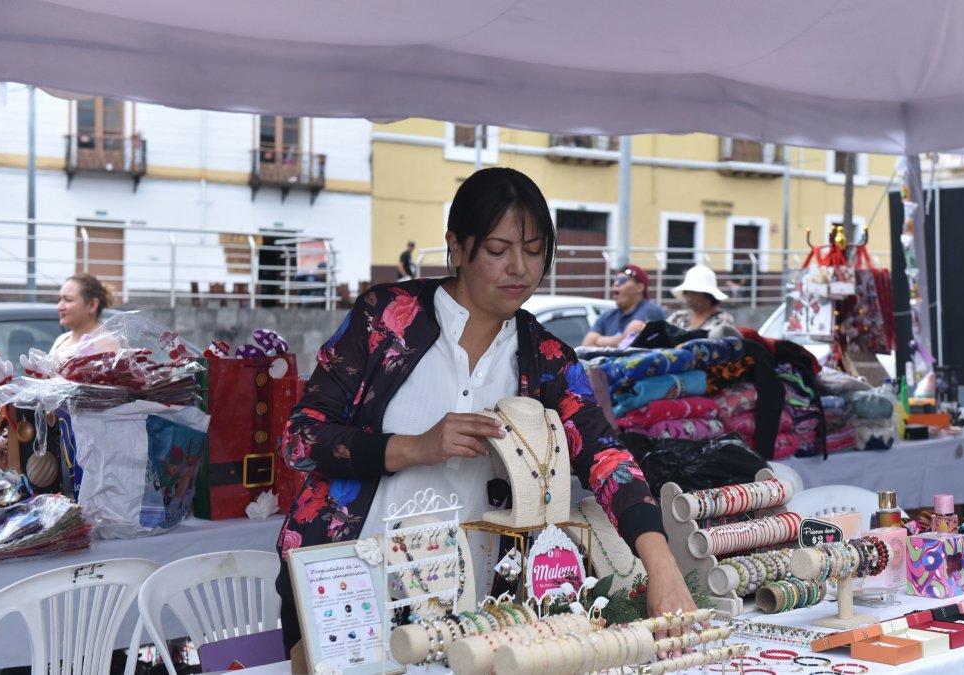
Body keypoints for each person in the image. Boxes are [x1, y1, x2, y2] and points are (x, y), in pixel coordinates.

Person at [274, 168, 694, 655]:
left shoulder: (546, 358)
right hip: (345, 584)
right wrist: (413, 447)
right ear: (456, 247)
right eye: (498, 251)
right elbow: (300, 438)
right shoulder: (386, 317)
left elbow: (606, 457)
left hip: (468, 609)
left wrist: (660, 565)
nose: (520, 268)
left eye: (534, 251)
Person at [581, 263, 666, 347]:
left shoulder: (650, 310)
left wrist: (599, 341)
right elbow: (587, 344)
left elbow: (626, 342)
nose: (616, 283)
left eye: (622, 280)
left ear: (639, 287)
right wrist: (615, 341)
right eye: (614, 280)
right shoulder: (607, 316)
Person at [51, 273, 114, 355]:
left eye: (68, 300)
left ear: (92, 305)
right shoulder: (61, 340)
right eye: (59, 299)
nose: (60, 306)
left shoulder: (107, 345)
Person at [666, 265, 735, 331]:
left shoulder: (722, 321)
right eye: (687, 293)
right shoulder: (678, 317)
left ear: (708, 295)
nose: (690, 299)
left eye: (695, 294)